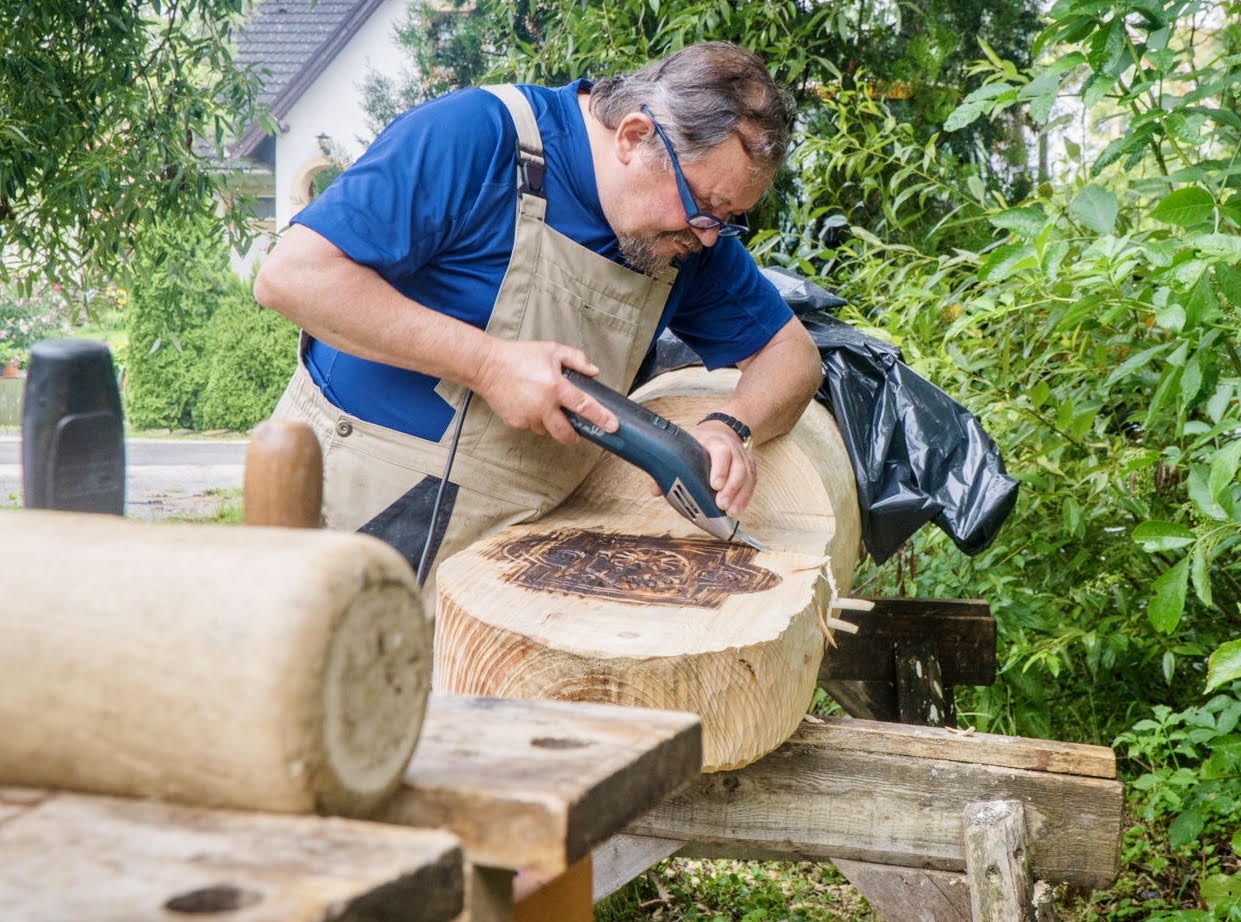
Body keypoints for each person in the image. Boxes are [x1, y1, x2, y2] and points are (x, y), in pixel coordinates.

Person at [253, 42, 822, 586]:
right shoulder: (478, 135)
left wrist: (732, 425)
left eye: (726, 218)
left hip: (517, 547)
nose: (707, 235)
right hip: (357, 501)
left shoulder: (687, 241)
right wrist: (487, 363)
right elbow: (294, 277)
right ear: (634, 135)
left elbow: (792, 356)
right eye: (703, 206)